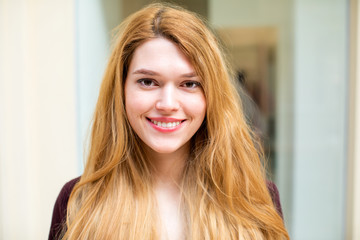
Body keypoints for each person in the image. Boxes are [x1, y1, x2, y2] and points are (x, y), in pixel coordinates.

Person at [49, 3, 289, 240]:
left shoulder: (257, 200)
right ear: (120, 90)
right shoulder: (76, 203)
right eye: (147, 81)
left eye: (189, 84)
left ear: (212, 95)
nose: (167, 104)